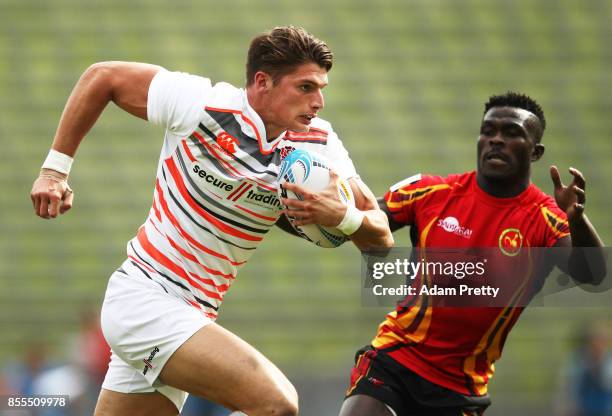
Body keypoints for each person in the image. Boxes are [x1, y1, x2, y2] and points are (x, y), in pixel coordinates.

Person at [30, 26, 393, 416]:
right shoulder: (204, 104)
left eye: (322, 88)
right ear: (262, 82)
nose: (319, 101)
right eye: (306, 87)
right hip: (145, 299)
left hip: (191, 313)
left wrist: (345, 217)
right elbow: (102, 77)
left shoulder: (320, 144)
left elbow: (381, 237)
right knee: (277, 405)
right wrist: (55, 171)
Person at [339, 92, 606, 416]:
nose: (496, 140)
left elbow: (594, 276)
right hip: (395, 360)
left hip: (460, 390)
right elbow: (359, 219)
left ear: (535, 152)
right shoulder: (432, 193)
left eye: (511, 134)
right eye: (488, 130)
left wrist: (576, 219)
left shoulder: (545, 219)